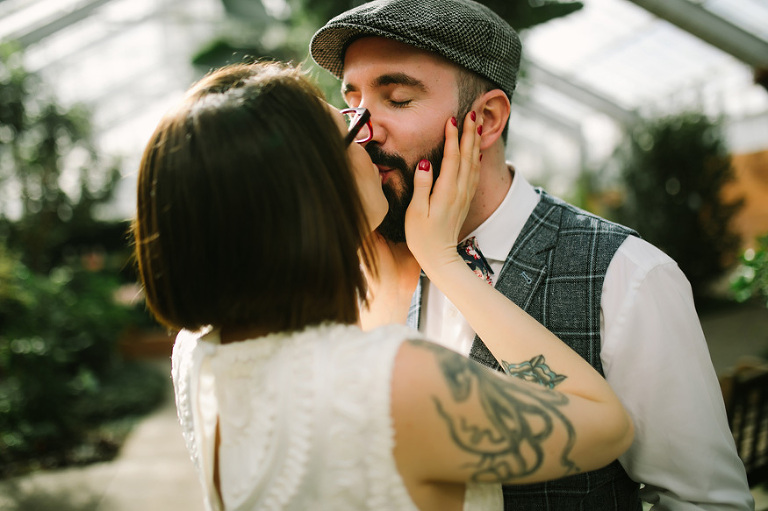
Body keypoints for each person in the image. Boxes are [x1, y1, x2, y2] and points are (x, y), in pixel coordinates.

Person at [309, 0, 754, 509]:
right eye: (352, 100)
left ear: (487, 119)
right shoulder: (363, 260)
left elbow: (706, 501)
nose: (362, 129)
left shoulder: (627, 274)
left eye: (398, 99)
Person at [132, 61, 634, 511]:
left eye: (396, 100)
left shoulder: (195, 354)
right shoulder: (393, 380)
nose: (368, 135)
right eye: (349, 126)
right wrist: (443, 260)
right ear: (312, 189)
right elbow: (605, 424)